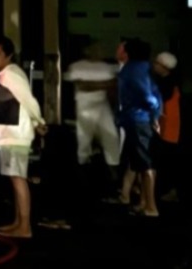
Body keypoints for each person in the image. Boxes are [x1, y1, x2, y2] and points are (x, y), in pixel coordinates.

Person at [0, 36, 47, 238]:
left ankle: (24, 226)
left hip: (15, 135)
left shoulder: (12, 74)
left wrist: (39, 121)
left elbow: (28, 100)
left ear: (8, 55)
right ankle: (18, 222)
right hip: (9, 134)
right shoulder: (8, 74)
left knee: (18, 178)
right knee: (15, 179)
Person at [112, 37, 163, 216]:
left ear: (128, 52)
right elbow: (156, 93)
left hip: (137, 119)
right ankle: (143, 202)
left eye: (121, 47)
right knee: (141, 163)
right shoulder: (146, 67)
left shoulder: (132, 69)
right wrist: (156, 114)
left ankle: (150, 206)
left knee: (145, 163)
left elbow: (147, 95)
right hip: (141, 119)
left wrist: (153, 108)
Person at [65, 40, 121, 174]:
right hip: (84, 106)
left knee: (111, 137)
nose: (99, 52)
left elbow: (114, 83)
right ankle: (82, 168)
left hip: (102, 106)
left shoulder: (107, 67)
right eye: (95, 49)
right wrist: (104, 84)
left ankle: (113, 171)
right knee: (84, 138)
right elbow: (82, 85)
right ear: (87, 51)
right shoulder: (77, 66)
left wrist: (96, 85)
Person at [153, 52, 180, 202]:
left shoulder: (167, 84)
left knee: (168, 161)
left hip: (169, 127)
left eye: (157, 63)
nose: (154, 65)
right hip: (166, 126)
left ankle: (170, 190)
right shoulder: (167, 81)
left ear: (164, 67)